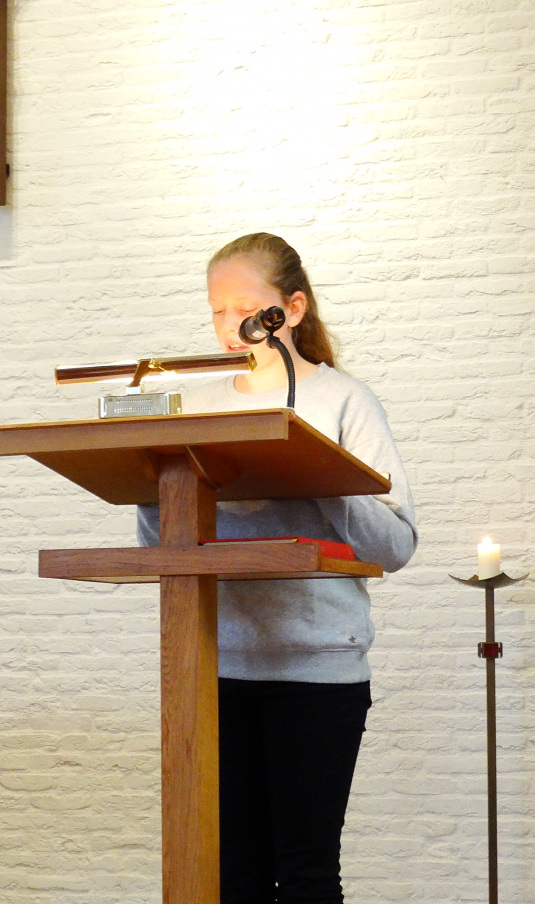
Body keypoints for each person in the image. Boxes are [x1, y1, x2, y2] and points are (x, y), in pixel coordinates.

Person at [138, 233, 417, 904]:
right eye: (216, 310)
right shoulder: (197, 404)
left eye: (245, 308)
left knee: (305, 873)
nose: (228, 325)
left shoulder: (343, 400)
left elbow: (397, 544)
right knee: (232, 872)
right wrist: (150, 479)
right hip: (216, 663)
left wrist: (324, 473)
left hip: (315, 669)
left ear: (291, 308)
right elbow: (161, 545)